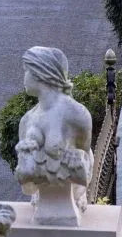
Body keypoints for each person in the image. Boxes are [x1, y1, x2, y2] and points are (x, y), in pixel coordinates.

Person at [15, 46, 92, 225]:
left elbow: (85, 154)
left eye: (27, 71)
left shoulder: (76, 114)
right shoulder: (27, 121)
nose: (24, 77)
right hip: (43, 202)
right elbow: (24, 176)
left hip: (69, 202)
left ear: (42, 74)